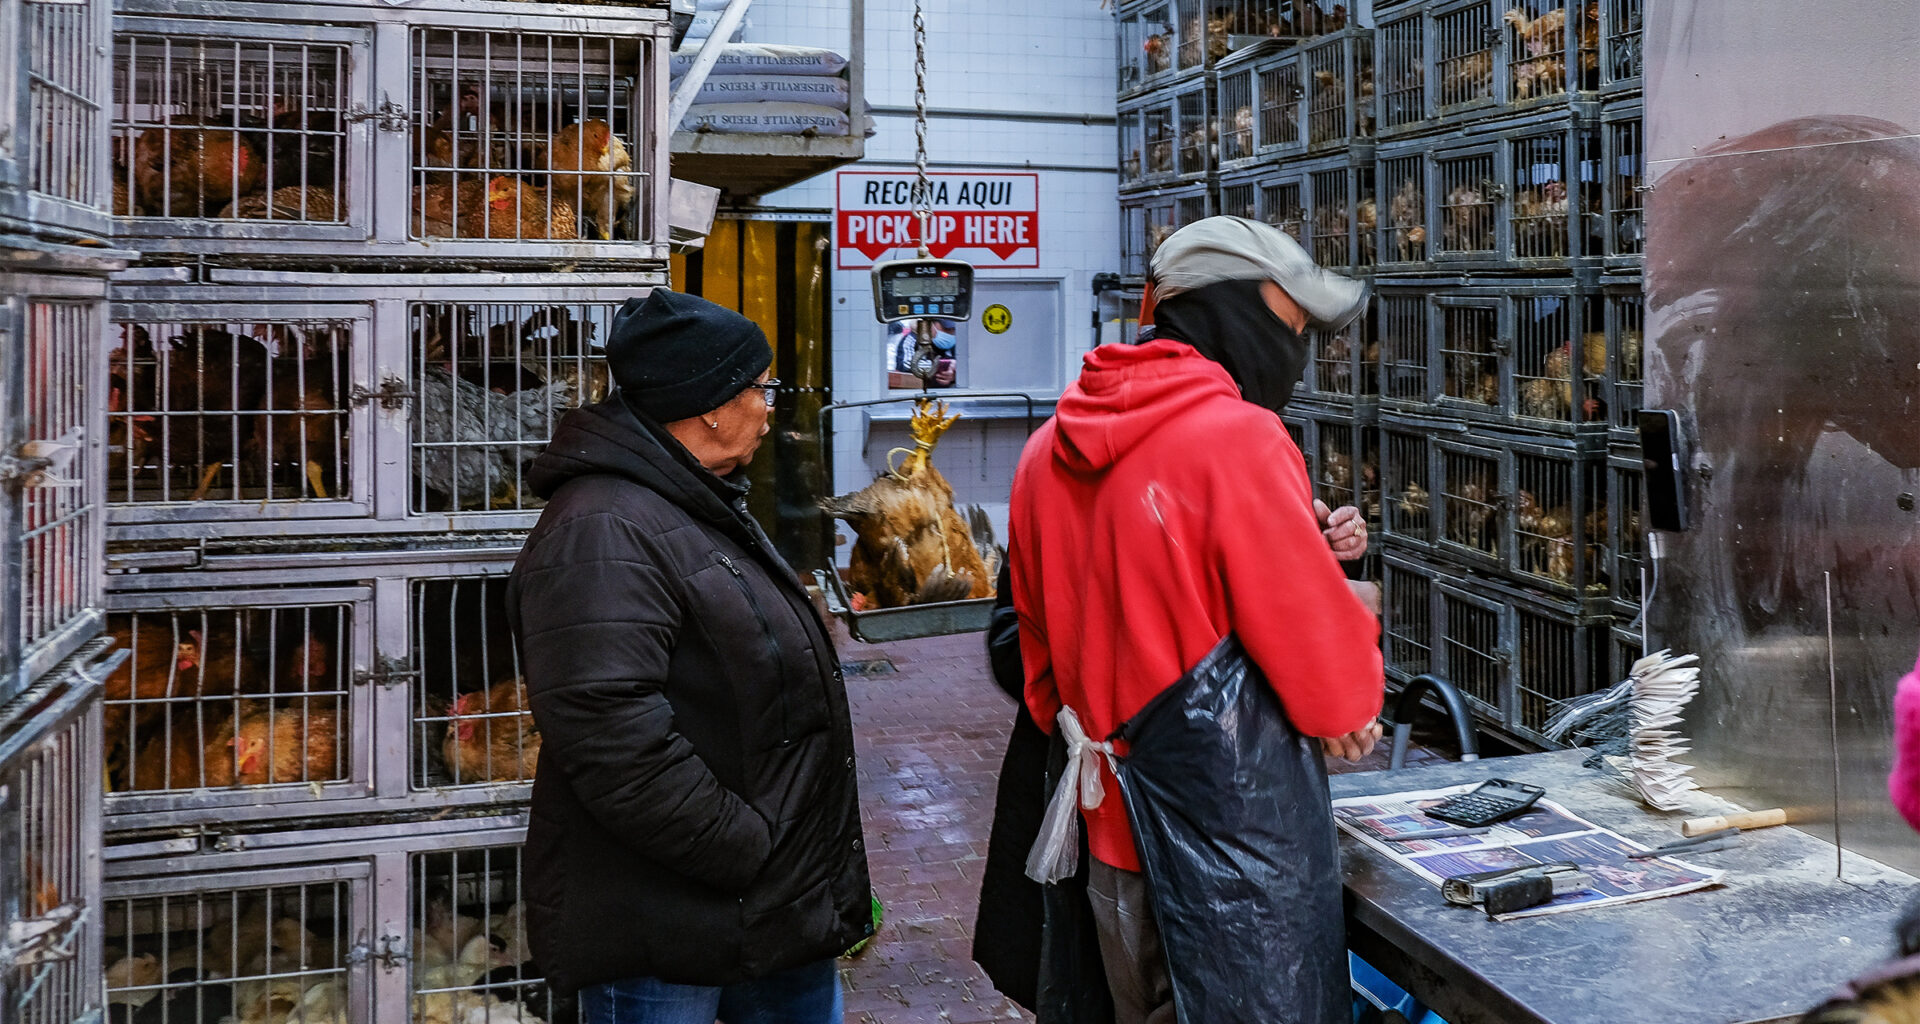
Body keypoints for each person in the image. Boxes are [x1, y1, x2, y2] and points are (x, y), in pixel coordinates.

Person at [1008, 216, 1385, 1024]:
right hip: (1230, 856)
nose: (1295, 354)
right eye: (1288, 328)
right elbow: (1337, 692)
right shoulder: (1240, 439)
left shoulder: (1045, 449)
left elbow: (1039, 678)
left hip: (1103, 832)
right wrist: (1354, 622)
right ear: (1229, 314)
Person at [506, 289, 872, 1024]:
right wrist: (744, 848)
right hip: (669, 929)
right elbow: (608, 727)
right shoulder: (604, 526)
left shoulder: (690, 502)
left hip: (763, 912)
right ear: (709, 405)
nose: (769, 407)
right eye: (758, 388)